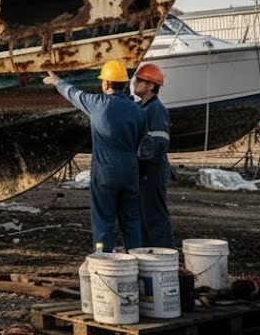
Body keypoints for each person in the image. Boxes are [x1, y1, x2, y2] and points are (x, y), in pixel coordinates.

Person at [44, 61, 146, 252]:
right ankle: (136, 258)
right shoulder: (138, 111)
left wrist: (58, 81)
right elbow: (142, 140)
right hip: (130, 171)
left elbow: (74, 94)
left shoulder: (97, 104)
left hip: (105, 171)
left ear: (106, 83)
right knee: (131, 221)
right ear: (125, 84)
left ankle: (102, 256)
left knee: (102, 221)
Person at [133, 62, 174, 248]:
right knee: (141, 216)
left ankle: (164, 256)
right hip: (142, 171)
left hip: (152, 171)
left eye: (139, 80)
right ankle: (147, 255)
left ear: (150, 86)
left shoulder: (156, 109)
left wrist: (142, 161)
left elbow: (159, 144)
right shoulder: (139, 107)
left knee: (154, 215)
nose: (135, 82)